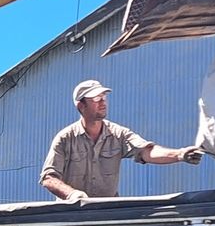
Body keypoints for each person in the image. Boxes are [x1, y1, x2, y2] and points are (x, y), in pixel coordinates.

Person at [40, 80, 203, 200]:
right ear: (80, 106)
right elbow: (49, 178)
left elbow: (146, 151)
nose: (103, 103)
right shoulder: (65, 139)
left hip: (109, 214)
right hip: (71, 215)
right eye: (96, 99)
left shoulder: (118, 134)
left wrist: (180, 154)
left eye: (104, 97)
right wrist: (72, 195)